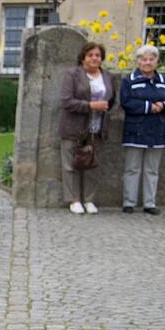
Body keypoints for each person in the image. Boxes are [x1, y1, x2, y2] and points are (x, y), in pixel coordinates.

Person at [59, 42, 117, 215]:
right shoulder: (73, 74)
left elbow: (112, 100)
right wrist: (91, 105)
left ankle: (89, 199)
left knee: (92, 164)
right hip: (74, 127)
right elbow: (66, 101)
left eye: (97, 55)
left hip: (97, 127)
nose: (94, 58)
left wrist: (104, 107)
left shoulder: (108, 76)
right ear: (83, 58)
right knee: (70, 165)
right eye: (90, 55)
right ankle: (74, 200)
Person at [120, 45, 165, 215]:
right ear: (138, 61)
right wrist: (148, 107)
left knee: (152, 169)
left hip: (157, 129)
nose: (147, 62)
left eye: (151, 59)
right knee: (132, 168)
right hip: (135, 129)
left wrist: (163, 106)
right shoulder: (129, 81)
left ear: (157, 61)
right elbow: (126, 102)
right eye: (144, 59)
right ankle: (129, 202)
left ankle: (149, 203)